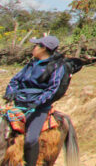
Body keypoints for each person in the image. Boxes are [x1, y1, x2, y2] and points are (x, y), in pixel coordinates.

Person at [4, 35, 65, 166]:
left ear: (44, 49)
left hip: (38, 108)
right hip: (19, 104)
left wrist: (38, 102)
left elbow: (53, 89)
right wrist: (10, 93)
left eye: (36, 45)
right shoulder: (30, 64)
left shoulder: (56, 67)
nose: (34, 48)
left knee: (30, 140)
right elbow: (15, 80)